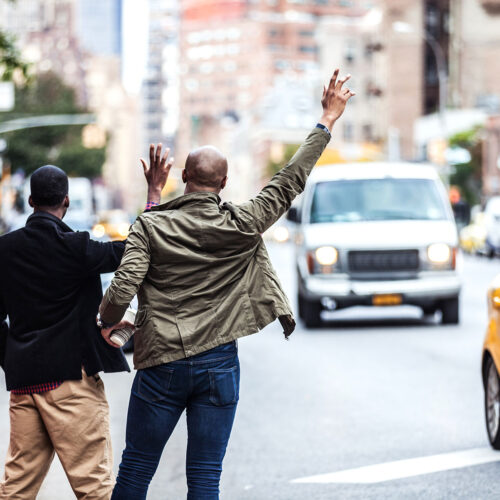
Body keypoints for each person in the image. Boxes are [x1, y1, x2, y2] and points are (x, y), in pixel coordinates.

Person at [98, 69, 354, 500]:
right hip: (218, 364)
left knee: (136, 469)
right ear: (224, 184)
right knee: (204, 476)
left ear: (183, 177)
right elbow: (290, 178)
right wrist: (327, 118)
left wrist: (107, 322)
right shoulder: (243, 223)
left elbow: (123, 289)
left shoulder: (149, 225)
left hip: (160, 364)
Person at [0, 147, 173, 499]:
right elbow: (135, 250)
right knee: (94, 487)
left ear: (30, 200)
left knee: (16, 488)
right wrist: (153, 196)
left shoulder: (5, 249)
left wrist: (11, 358)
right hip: (70, 384)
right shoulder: (76, 248)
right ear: (65, 201)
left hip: (23, 386)